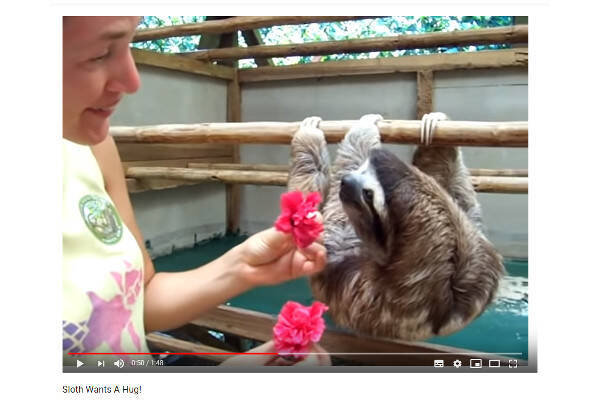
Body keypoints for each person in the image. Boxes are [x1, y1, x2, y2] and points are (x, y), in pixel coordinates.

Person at [62, 16, 330, 367]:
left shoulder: (92, 144)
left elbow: (136, 303)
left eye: (129, 45)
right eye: (100, 53)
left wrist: (241, 267)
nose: (132, 80)